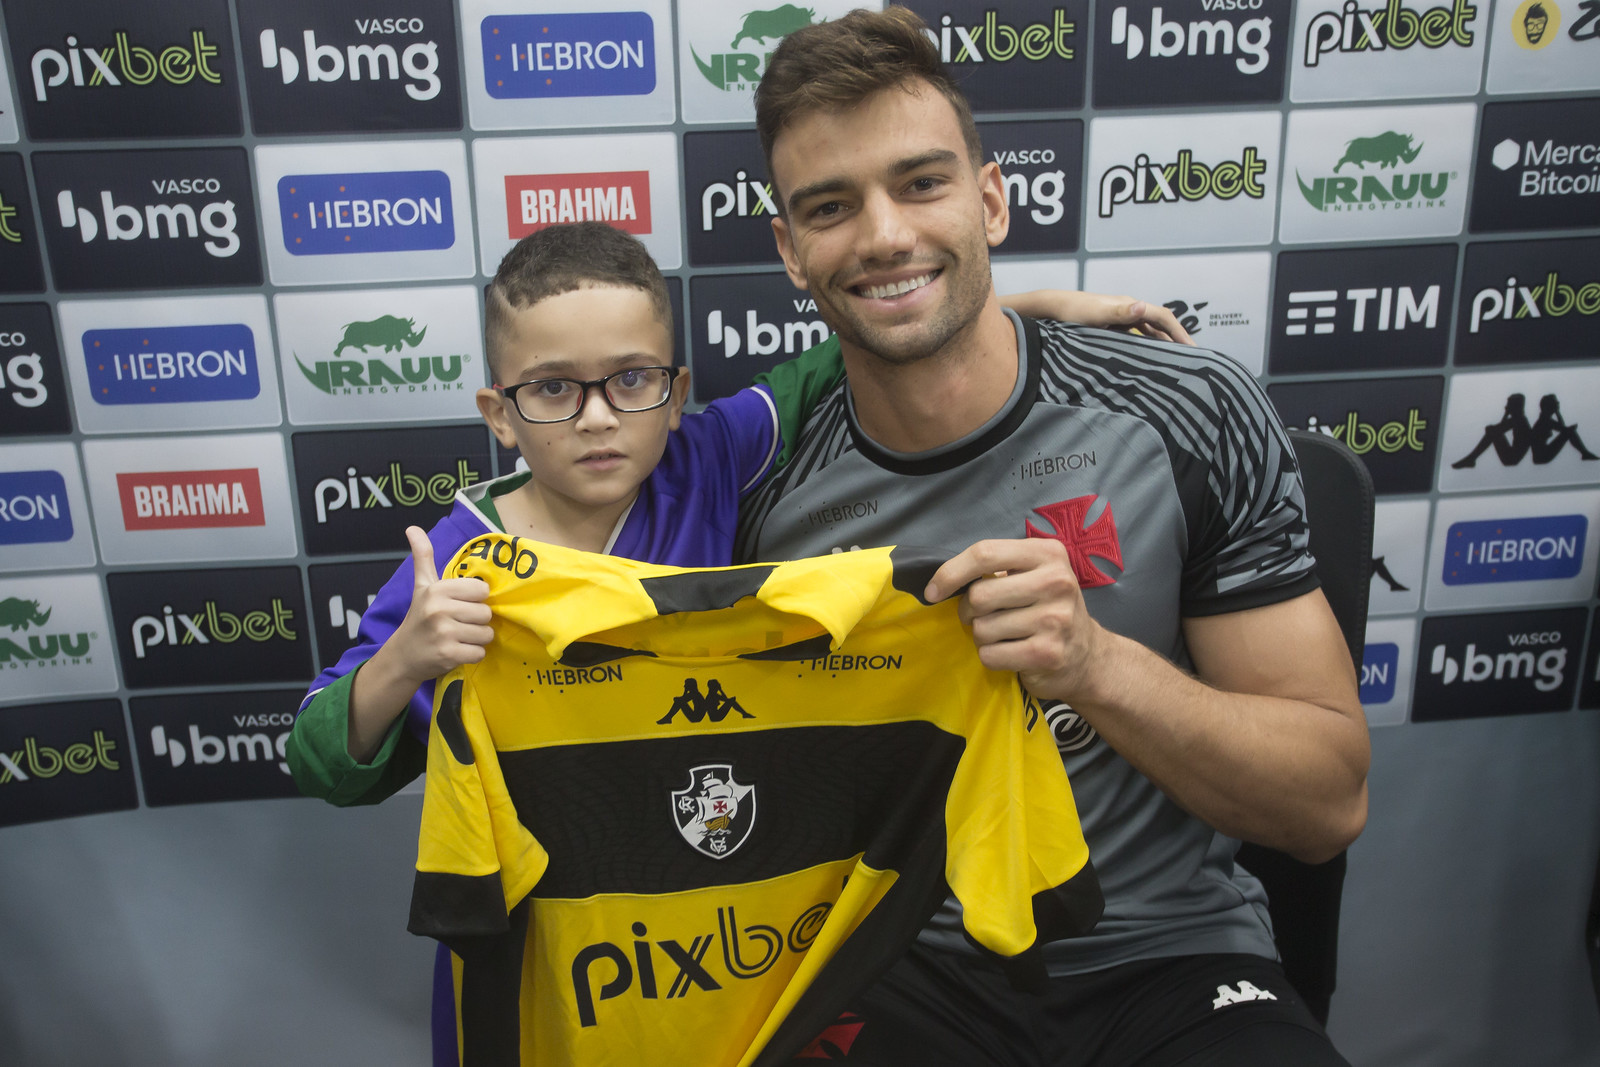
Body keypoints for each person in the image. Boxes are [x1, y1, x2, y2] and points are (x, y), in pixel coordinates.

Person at [286, 220, 1191, 1065]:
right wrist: (407, 658)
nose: (598, 417)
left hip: (724, 924)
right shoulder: (458, 563)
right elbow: (322, 760)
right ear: (498, 411)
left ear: (676, 394)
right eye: (554, 388)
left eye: (631, 380)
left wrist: (1045, 308)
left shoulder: (709, 456)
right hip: (556, 951)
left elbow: (856, 352)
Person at [737, 9, 1369, 1065]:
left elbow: (1327, 801)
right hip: (896, 973)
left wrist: (1094, 663)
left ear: (991, 200)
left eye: (921, 183)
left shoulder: (1188, 409)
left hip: (1171, 962)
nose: (883, 234)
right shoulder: (757, 486)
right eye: (831, 207)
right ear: (790, 251)